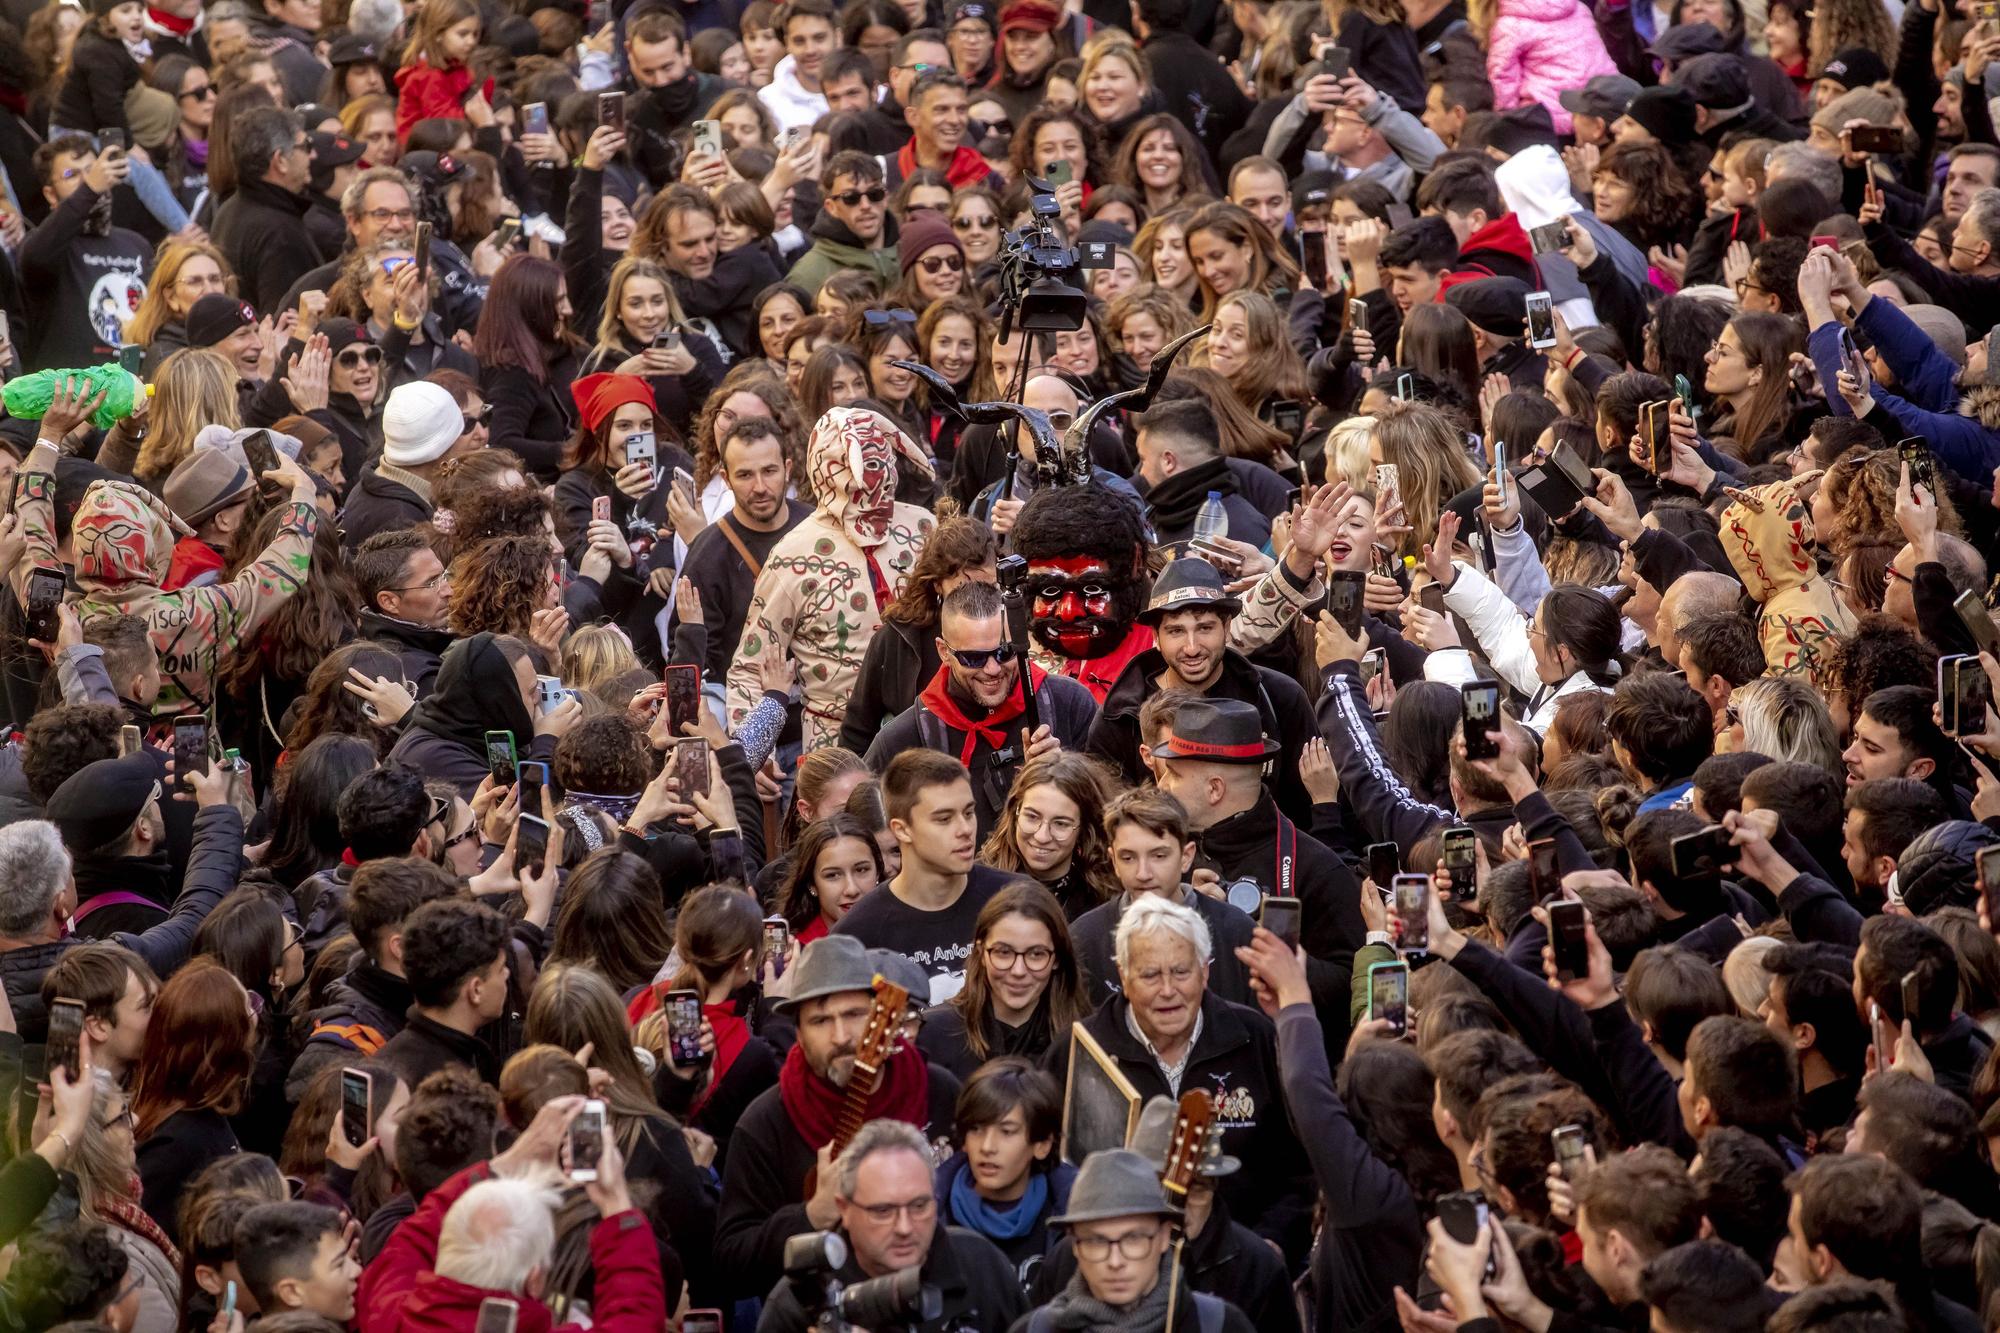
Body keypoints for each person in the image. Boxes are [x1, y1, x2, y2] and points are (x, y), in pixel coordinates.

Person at [1056, 895, 1312, 1261]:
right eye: (1149, 975)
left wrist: (1270, 1246)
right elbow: (1053, 1177)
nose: (1167, 990)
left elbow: (1300, 1169)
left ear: (1205, 972)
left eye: (1181, 971)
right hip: (1116, 1269)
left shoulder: (1256, 1037)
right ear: (1123, 978)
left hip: (1242, 1266)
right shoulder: (1080, 1049)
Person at [713, 934, 963, 1301]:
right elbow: (731, 1263)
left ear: (882, 1017)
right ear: (798, 1033)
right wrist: (811, 1215)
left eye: (854, 1014)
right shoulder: (766, 1122)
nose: (841, 1036)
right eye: (820, 1021)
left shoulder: (938, 1091)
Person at [724, 406, 935, 748]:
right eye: (855, 471)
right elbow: (751, 667)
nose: (871, 484)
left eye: (879, 466)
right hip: (834, 750)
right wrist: (753, 755)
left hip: (925, 738)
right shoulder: (792, 556)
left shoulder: (924, 528)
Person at [865, 581, 1099, 834]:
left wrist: (1065, 773)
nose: (992, 669)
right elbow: (862, 833)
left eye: (1004, 653)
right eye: (973, 658)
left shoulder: (1068, 702)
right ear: (944, 652)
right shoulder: (903, 738)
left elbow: (1108, 810)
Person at [754, 1118, 1026, 1333]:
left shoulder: (981, 1266)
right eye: (883, 1211)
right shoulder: (801, 1302)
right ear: (844, 1210)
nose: (905, 1227)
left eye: (919, 1206)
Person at [835, 750, 1017, 1003]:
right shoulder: (857, 935)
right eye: (944, 819)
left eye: (968, 813)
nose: (965, 830)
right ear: (902, 829)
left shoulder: (1016, 901)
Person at [1012, 1147, 1255, 1333]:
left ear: (1163, 1237)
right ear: (1075, 1246)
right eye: (1097, 1242)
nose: (1115, 1261)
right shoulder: (1036, 1329)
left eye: (1133, 1239)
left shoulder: (1219, 1326)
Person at [1071, 786, 1256, 1008]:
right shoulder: (1085, 940)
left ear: (1186, 856)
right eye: (1128, 858)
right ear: (1113, 861)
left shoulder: (1236, 934)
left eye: (1159, 856)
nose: (1143, 873)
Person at [917, 881, 1091, 1079]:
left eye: (1036, 954)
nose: (1018, 970)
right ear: (981, 952)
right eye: (1004, 952)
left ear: (1057, 959)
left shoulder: (1084, 1043)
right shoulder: (933, 1035)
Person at [133, 958, 257, 1238]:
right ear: (226, 1040)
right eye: (249, 1008)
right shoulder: (177, 1145)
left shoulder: (200, 1113)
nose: (256, 1016)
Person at [932, 1057, 1077, 1274]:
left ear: (1042, 1144)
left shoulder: (1070, 1212)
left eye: (1007, 1131)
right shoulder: (931, 1210)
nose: (988, 1147)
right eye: (976, 1129)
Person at [211, 107, 323, 316]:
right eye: (306, 146)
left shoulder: (230, 209)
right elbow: (285, 321)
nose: (313, 154)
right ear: (280, 160)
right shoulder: (280, 234)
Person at [352, 530, 454, 696]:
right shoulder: (422, 680)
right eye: (431, 583)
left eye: (444, 576)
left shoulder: (362, 643)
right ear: (389, 602)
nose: (448, 591)